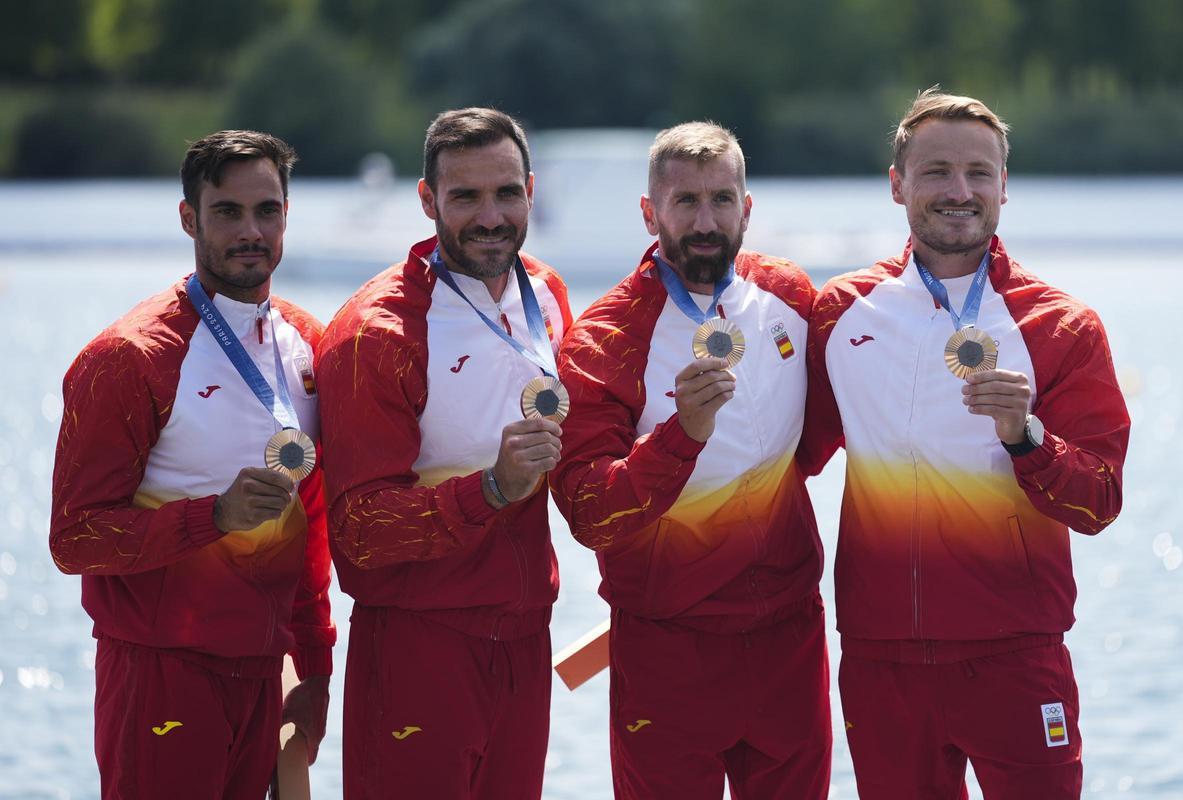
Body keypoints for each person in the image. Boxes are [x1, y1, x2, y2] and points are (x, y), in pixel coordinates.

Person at [803, 88, 1130, 799]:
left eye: (979, 173)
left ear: (1004, 187)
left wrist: (1027, 438)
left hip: (1015, 655)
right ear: (898, 185)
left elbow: (1100, 502)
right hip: (880, 658)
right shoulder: (840, 313)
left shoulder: (1063, 327)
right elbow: (781, 461)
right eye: (937, 172)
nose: (960, 191)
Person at [49, 130, 335, 799]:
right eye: (227, 212)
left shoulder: (307, 345)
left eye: (266, 211)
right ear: (189, 218)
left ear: (287, 215)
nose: (250, 231)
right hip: (160, 671)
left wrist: (315, 669)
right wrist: (214, 517)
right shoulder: (128, 359)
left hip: (266, 674)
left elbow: (310, 525)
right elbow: (74, 539)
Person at [551, 121, 831, 799]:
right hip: (669, 646)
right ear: (650, 212)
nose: (706, 222)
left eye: (721, 200)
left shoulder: (789, 296)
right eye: (685, 203)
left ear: (747, 206)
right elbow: (590, 513)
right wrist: (683, 436)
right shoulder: (605, 338)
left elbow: (816, 442)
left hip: (786, 636)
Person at [317, 107, 571, 800]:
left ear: (531, 190)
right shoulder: (377, 333)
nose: (490, 217)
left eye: (506, 193)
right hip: (417, 648)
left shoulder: (545, 293)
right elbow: (358, 534)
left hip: (525, 639)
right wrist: (489, 488)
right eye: (465, 197)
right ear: (427, 200)